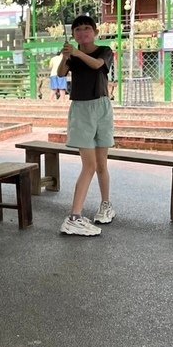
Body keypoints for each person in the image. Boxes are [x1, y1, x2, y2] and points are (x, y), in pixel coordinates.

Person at [57, 15, 115, 236]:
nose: (83, 32)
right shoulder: (72, 55)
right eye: (78, 29)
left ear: (95, 32)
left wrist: (77, 52)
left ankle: (106, 205)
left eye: (87, 29)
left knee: (102, 164)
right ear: (73, 34)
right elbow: (61, 73)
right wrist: (65, 56)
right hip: (81, 109)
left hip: (102, 107)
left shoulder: (104, 50)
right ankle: (74, 217)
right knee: (89, 165)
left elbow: (98, 65)